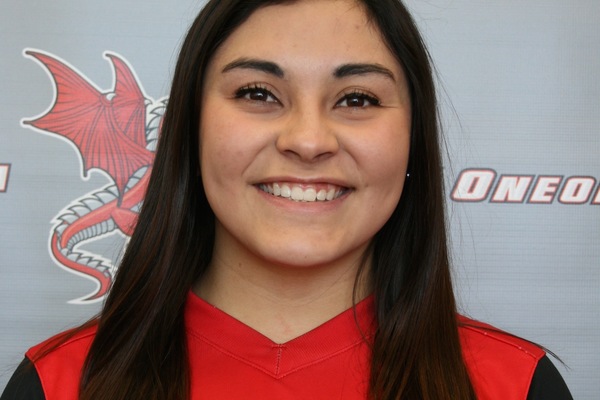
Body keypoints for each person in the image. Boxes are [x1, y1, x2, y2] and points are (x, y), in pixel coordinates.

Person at [2, 0, 573, 399]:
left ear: (412, 141)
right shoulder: (57, 385)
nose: (307, 140)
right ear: (190, 129)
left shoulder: (516, 385)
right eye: (258, 93)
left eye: (356, 99)